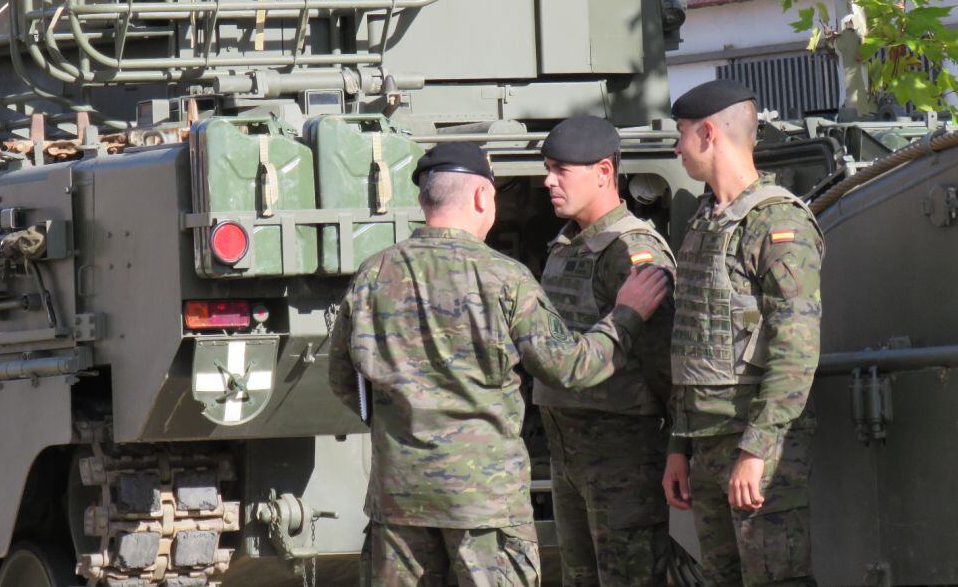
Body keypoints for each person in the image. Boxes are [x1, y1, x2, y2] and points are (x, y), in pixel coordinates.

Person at [328, 142, 669, 587]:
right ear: (480, 198)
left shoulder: (373, 274)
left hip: (399, 499)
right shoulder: (504, 278)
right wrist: (626, 315)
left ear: (423, 200)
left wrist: (403, 420)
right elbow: (570, 368)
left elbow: (340, 377)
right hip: (484, 506)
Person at [661, 80, 824, 586]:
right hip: (706, 444)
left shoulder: (777, 223)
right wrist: (679, 446)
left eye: (682, 134)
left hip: (756, 447)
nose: (676, 147)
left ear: (708, 133)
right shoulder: (704, 223)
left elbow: (795, 351)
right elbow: (691, 341)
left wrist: (757, 451)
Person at [535, 115, 676, 586]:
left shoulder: (631, 250)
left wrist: (679, 446)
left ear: (602, 172)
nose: (547, 180)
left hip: (622, 457)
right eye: (547, 168)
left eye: (560, 169)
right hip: (570, 455)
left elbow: (665, 364)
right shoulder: (567, 244)